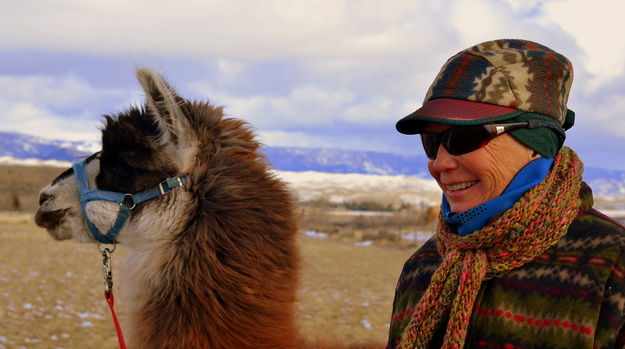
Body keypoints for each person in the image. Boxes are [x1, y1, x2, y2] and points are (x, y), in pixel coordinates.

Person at [387, 39, 625, 349]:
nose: (439, 163)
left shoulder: (610, 264)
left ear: (534, 141)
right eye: (431, 143)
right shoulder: (425, 267)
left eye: (465, 137)